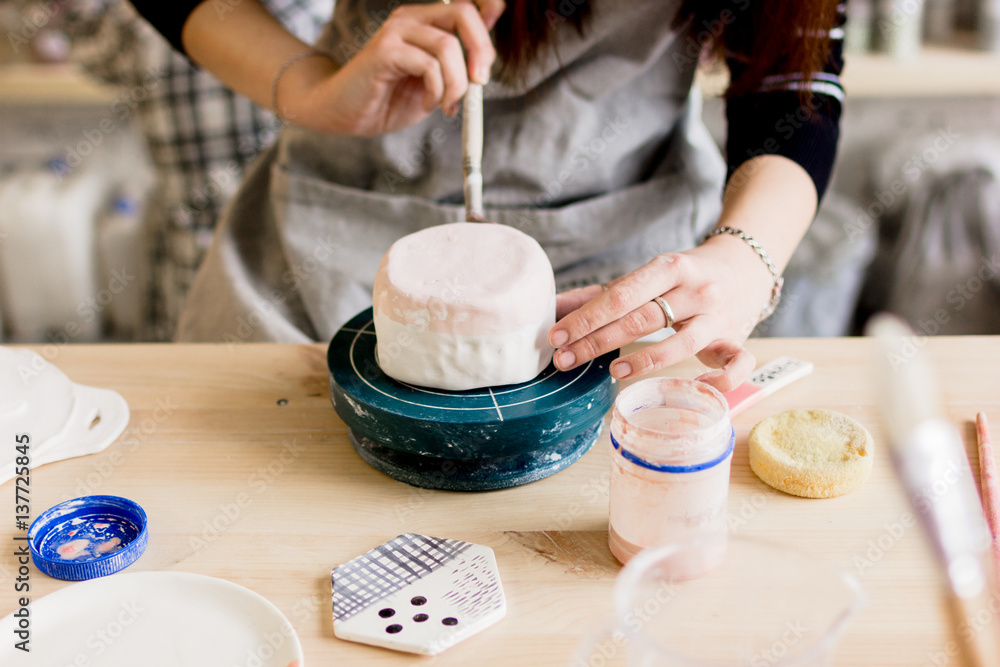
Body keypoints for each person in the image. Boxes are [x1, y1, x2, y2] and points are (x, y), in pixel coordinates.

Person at [129, 0, 845, 392]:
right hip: (331, 243)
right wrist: (310, 88)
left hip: (625, 264)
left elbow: (793, 84)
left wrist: (745, 259)